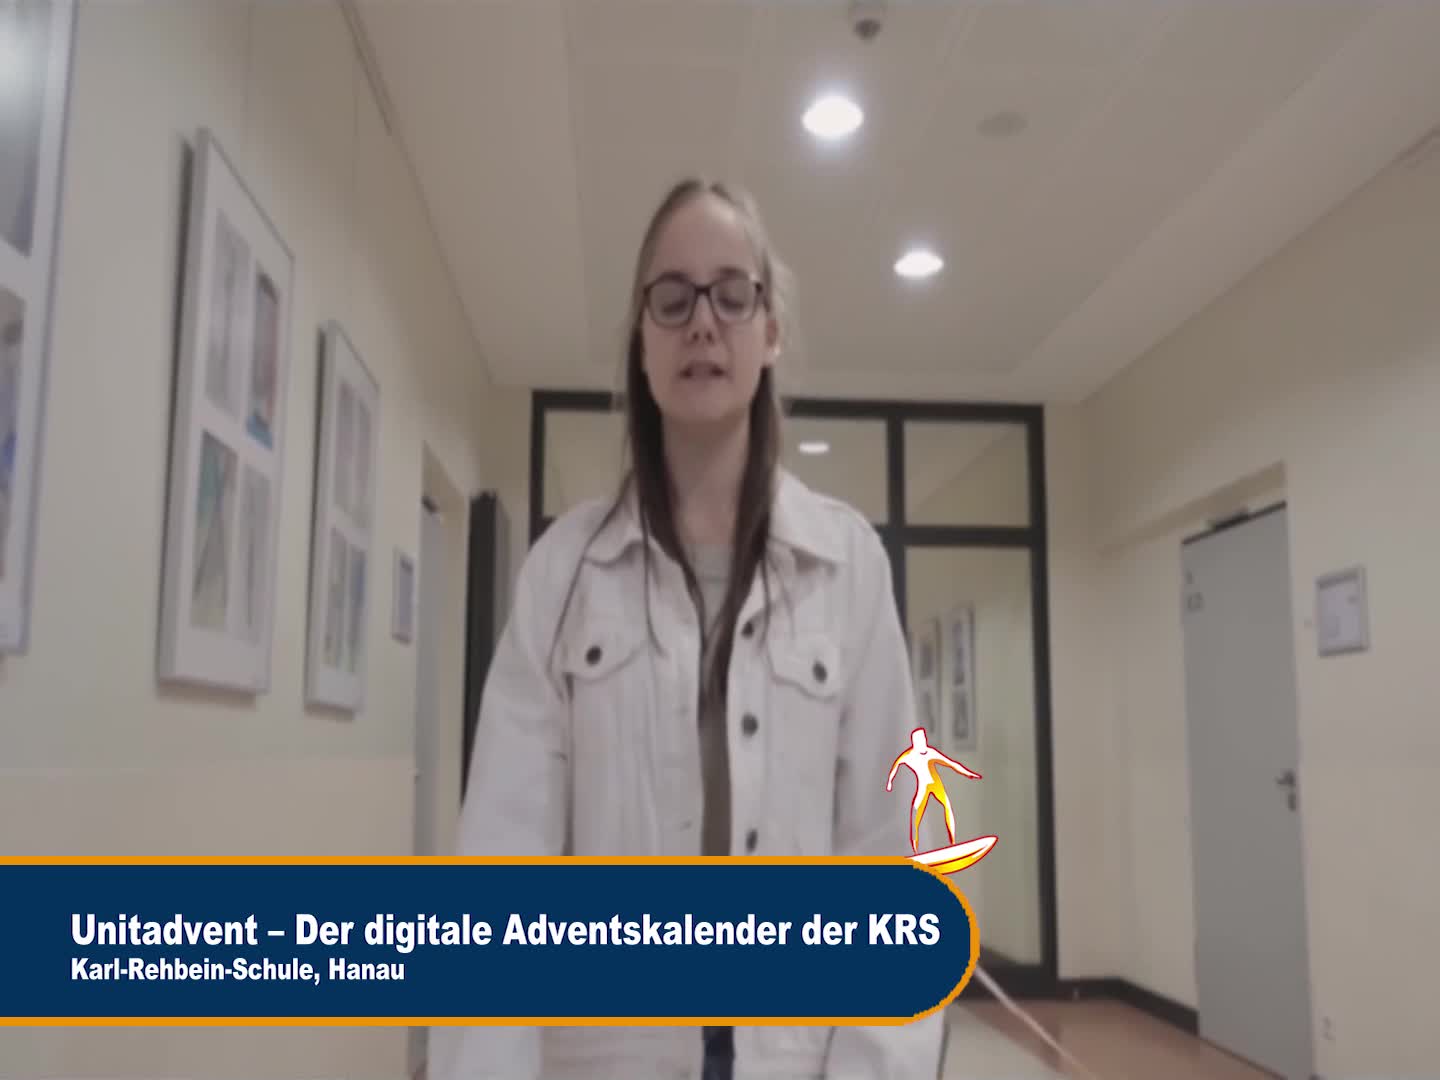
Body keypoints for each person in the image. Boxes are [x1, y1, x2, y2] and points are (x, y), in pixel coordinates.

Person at [427, 179, 944, 1080]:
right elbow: (500, 868)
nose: (702, 322)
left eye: (732, 294)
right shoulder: (563, 573)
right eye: (672, 298)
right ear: (641, 337)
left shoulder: (848, 567)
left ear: (769, 331)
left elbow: (892, 855)